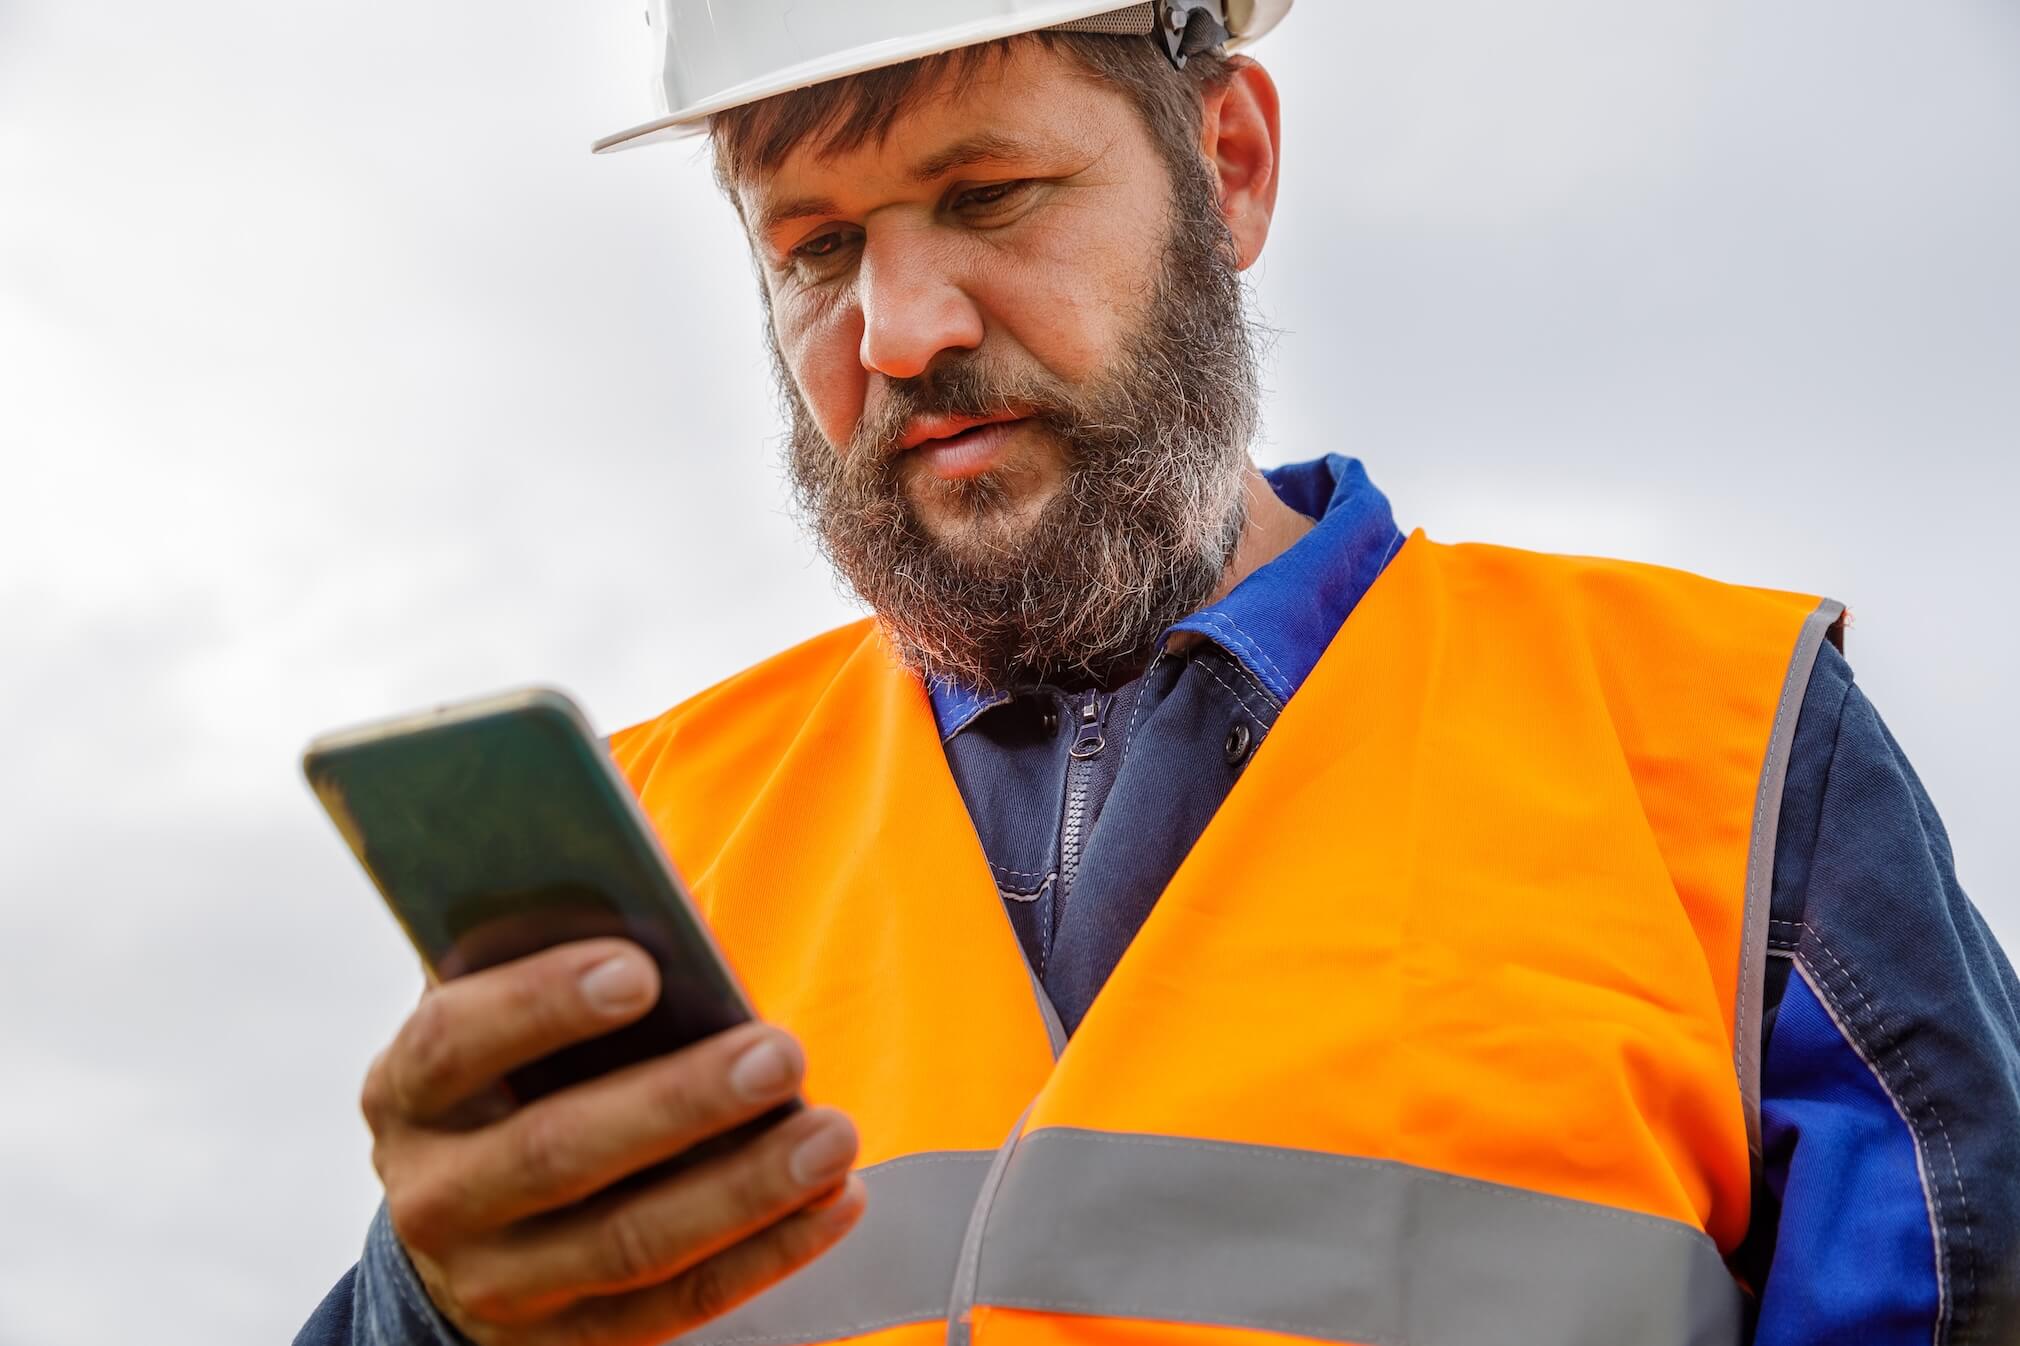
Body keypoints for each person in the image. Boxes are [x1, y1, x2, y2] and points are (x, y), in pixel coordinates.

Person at [297, 3, 2020, 1343]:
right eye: (812, 247)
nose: (899, 330)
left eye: (989, 193)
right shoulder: (662, 832)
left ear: (1230, 161)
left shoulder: (1721, 745)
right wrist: (428, 1311)